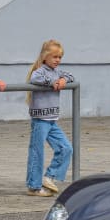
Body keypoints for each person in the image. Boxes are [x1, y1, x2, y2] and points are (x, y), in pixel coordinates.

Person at [25, 39, 74, 197]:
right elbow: (34, 79)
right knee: (36, 152)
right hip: (40, 120)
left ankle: (49, 177)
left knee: (66, 148)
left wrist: (63, 80)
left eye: (60, 57)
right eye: (54, 57)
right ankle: (34, 186)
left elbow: (70, 76)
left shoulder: (57, 72)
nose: (58, 60)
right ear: (45, 57)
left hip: (52, 120)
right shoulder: (41, 71)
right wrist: (52, 81)